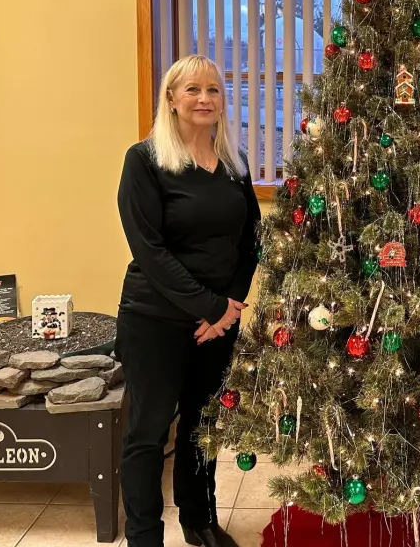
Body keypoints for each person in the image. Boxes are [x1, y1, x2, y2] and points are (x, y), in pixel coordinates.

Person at [116, 54, 260, 547]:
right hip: (154, 320)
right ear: (172, 99)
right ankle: (143, 537)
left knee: (203, 426)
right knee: (149, 431)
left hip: (218, 322)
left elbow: (252, 240)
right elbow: (150, 251)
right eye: (193, 89)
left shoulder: (235, 164)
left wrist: (229, 306)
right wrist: (210, 307)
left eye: (213, 90)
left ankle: (199, 521)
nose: (204, 98)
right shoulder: (145, 160)